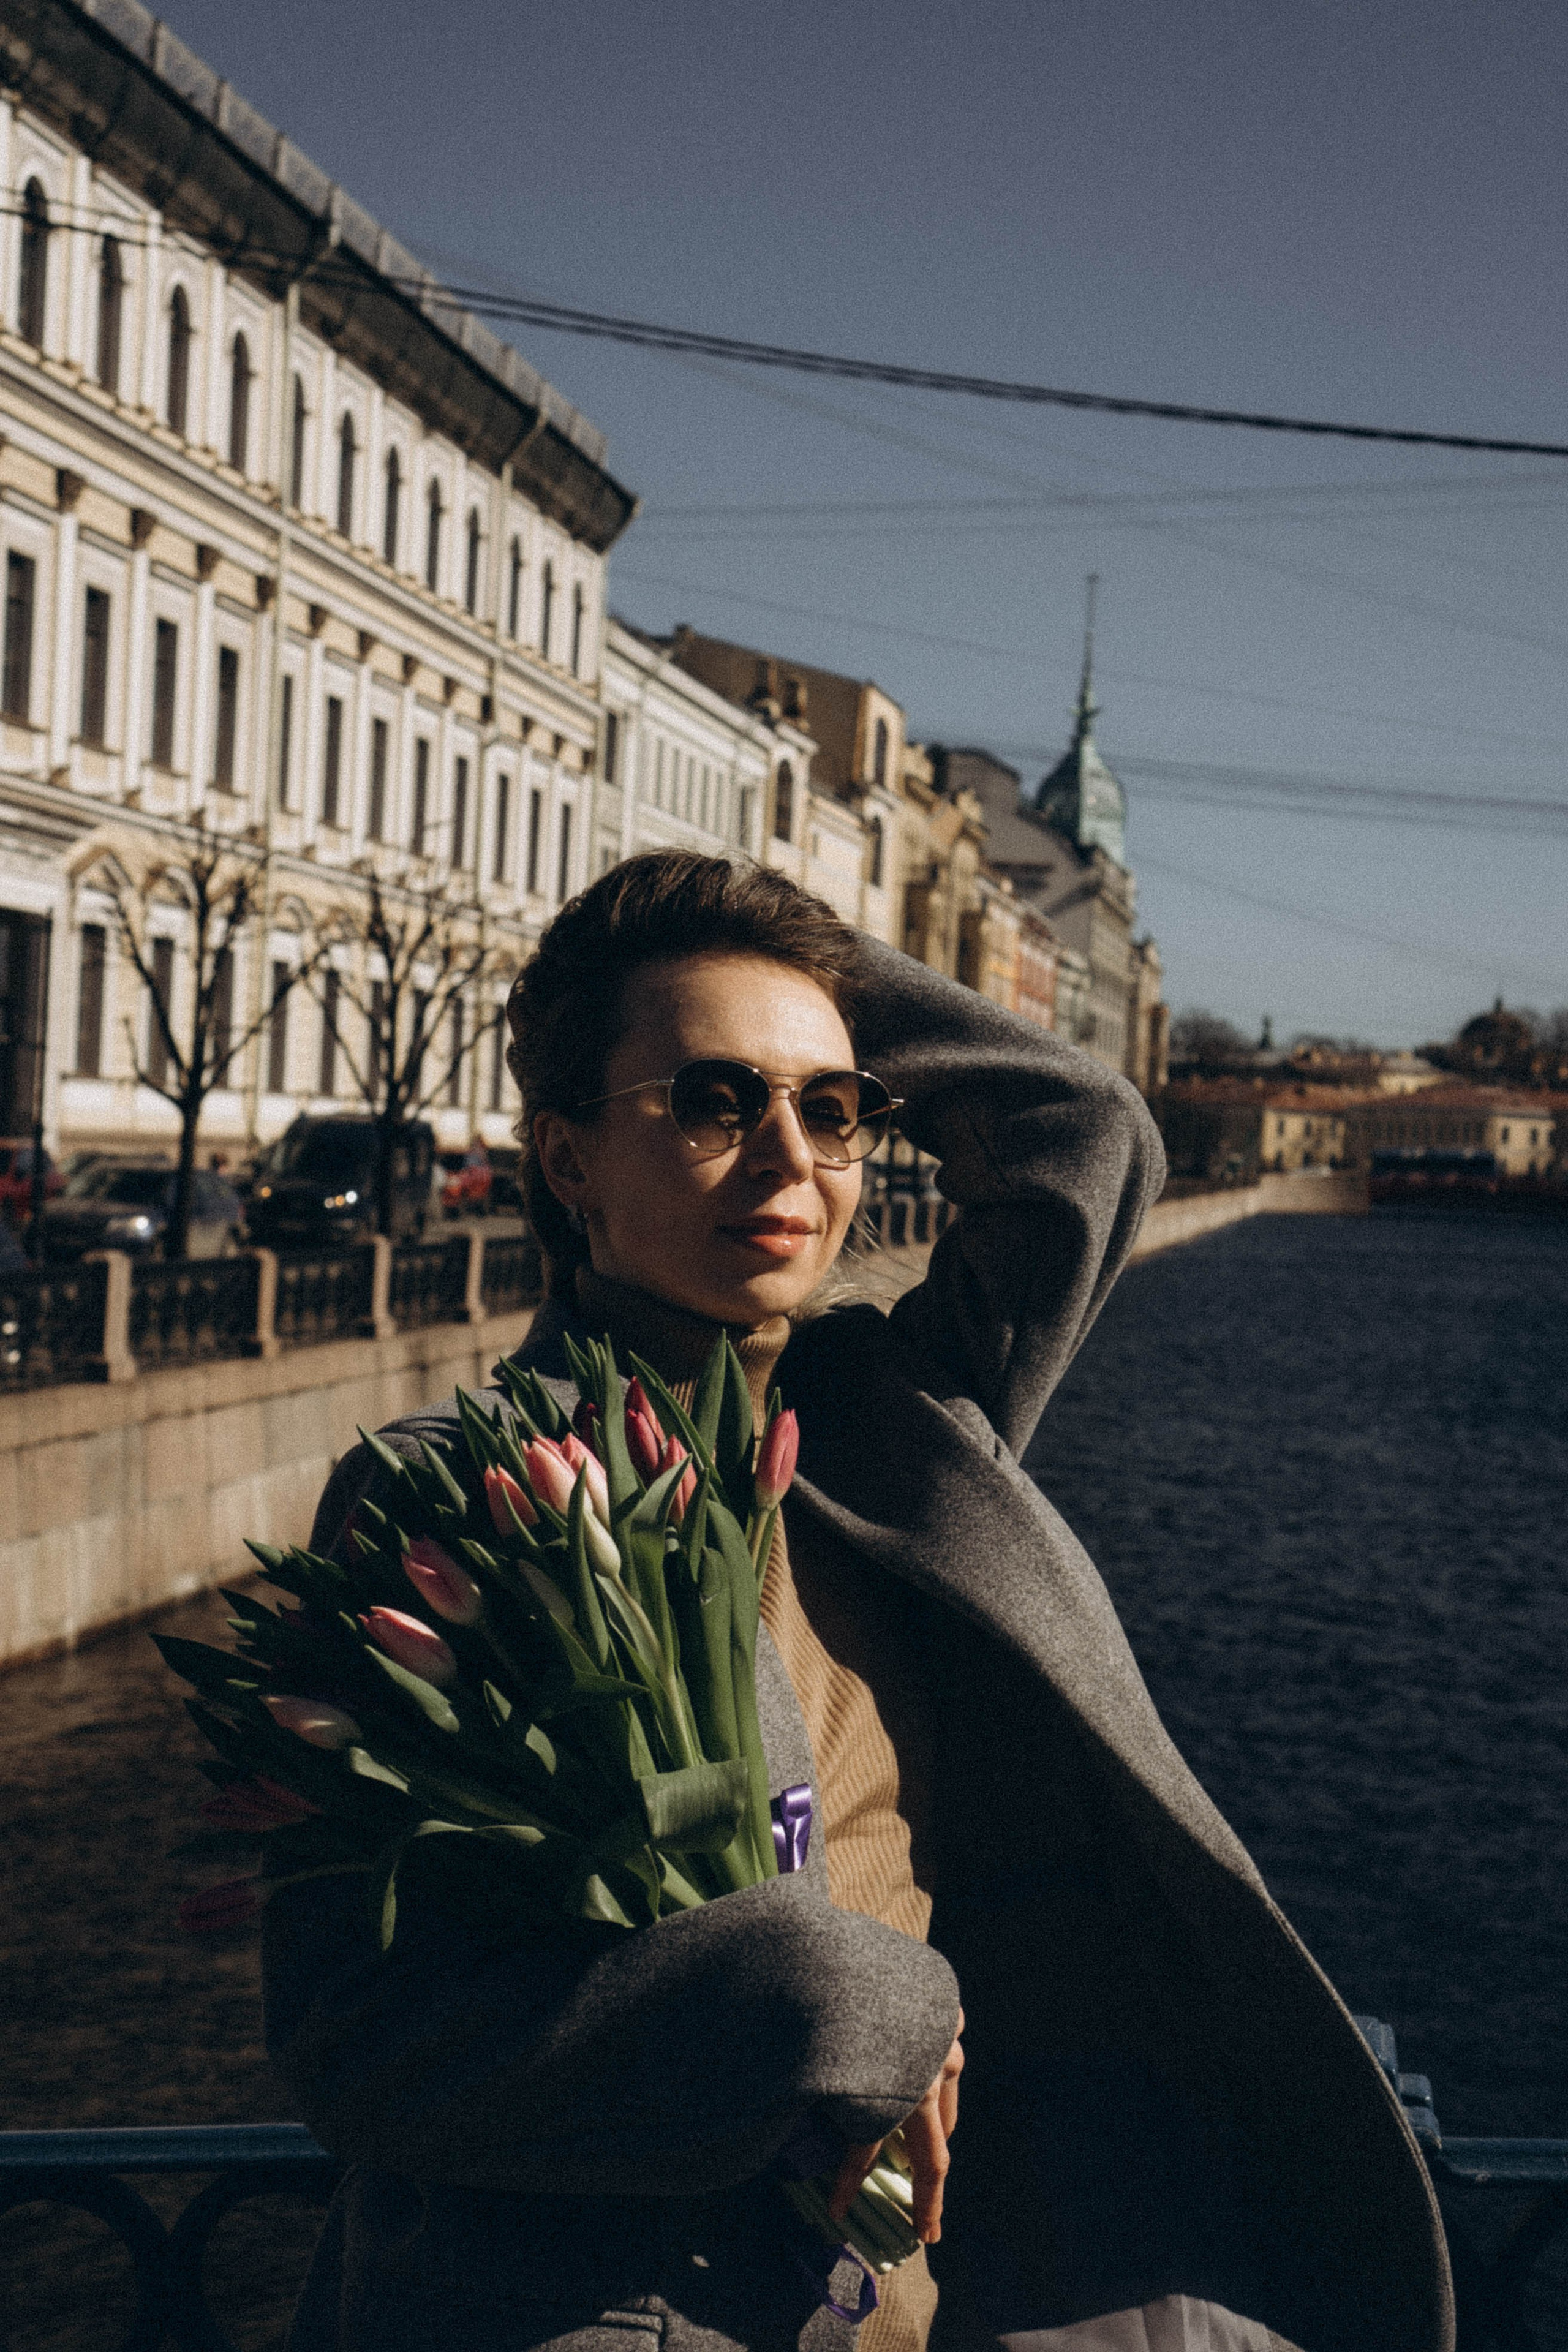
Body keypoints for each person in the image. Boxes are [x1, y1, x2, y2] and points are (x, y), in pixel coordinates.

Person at [266, 852, 1452, 2352]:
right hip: (607, 2315)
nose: (791, 1157)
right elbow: (351, 2042)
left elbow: (1082, 1133)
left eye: (830, 1110)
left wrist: (797, 966)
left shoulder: (890, 1425)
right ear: (564, 1162)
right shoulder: (458, 1503)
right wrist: (814, 2000)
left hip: (906, 2307)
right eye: (709, 1101)